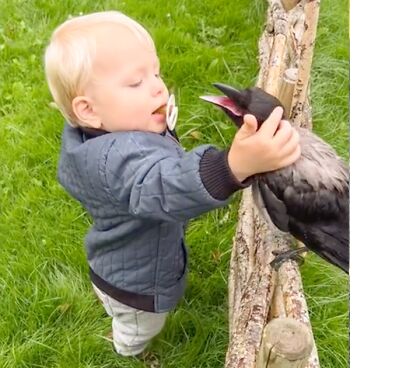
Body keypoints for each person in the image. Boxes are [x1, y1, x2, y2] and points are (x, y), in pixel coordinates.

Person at [44, 10, 300, 357]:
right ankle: (128, 348)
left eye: (156, 72)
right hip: (135, 288)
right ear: (88, 110)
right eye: (136, 83)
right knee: (143, 326)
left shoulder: (97, 134)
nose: (157, 86)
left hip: (116, 260)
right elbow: (165, 186)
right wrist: (233, 166)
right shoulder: (118, 162)